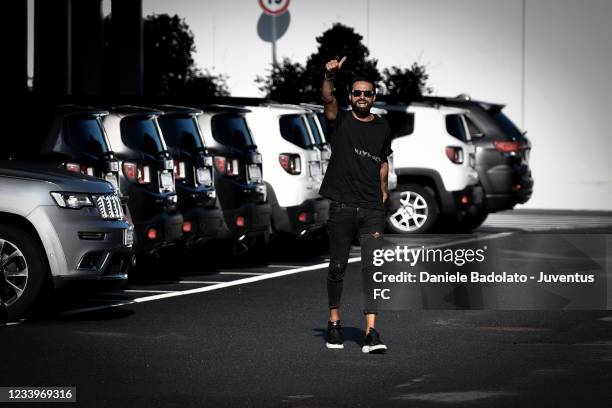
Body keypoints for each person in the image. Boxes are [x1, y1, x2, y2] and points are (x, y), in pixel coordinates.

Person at [319, 56, 392, 353]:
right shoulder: (341, 120)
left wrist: (384, 191)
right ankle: (334, 324)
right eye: (357, 93)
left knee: (372, 270)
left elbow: (383, 160)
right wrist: (329, 75)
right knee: (337, 267)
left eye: (367, 93)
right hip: (343, 206)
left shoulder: (383, 127)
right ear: (351, 96)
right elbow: (326, 97)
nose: (362, 97)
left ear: (374, 97)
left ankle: (371, 332)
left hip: (372, 208)